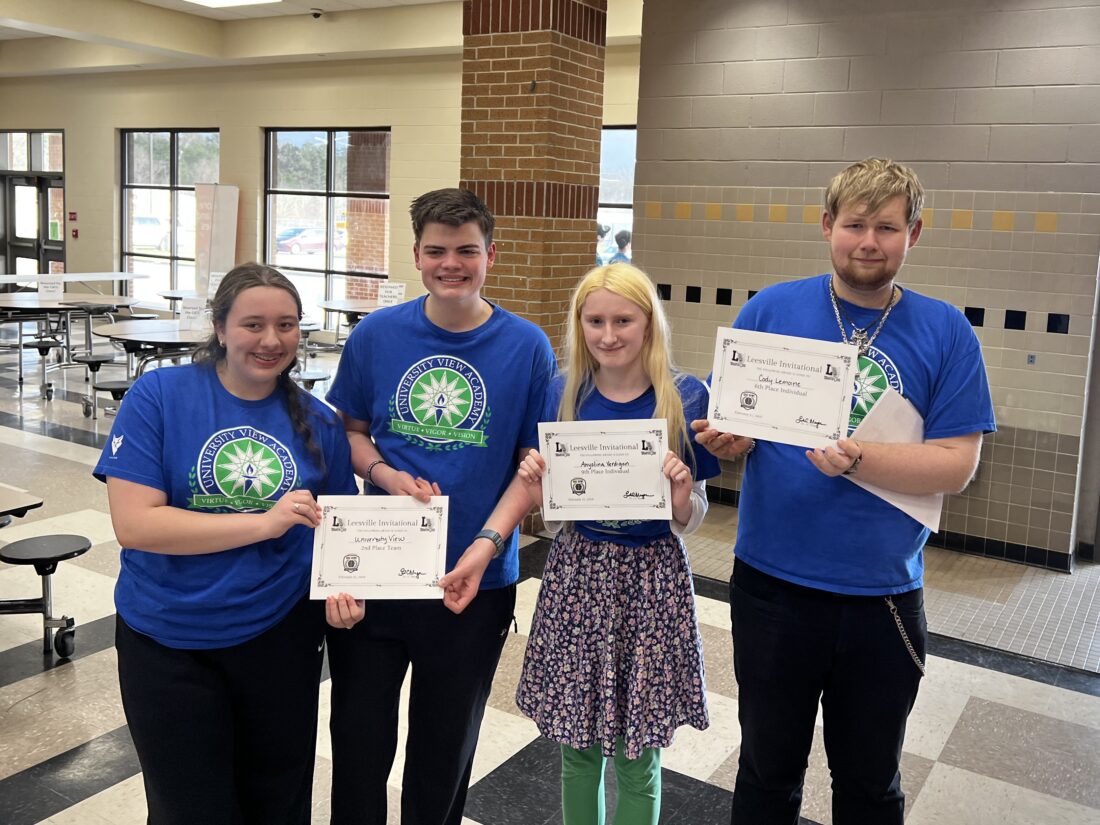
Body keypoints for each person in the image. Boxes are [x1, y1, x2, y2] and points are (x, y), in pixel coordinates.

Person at [692, 158, 996, 825]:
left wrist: (858, 458)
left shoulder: (946, 330)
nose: (868, 240)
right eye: (854, 224)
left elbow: (956, 465)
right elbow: (738, 424)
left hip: (881, 596)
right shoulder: (772, 308)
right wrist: (730, 440)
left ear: (914, 234)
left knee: (868, 781)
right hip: (772, 587)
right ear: (827, 226)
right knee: (767, 771)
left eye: (887, 227)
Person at [93, 263, 359, 824]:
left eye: (286, 325)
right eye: (253, 324)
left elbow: (337, 529)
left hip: (278, 637)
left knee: (278, 801)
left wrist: (346, 591)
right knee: (190, 807)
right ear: (219, 327)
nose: (271, 340)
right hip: (166, 638)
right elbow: (137, 525)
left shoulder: (321, 422)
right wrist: (263, 523)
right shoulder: (158, 396)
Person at [324, 187, 556, 825]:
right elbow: (349, 432)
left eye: (466, 251)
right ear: (417, 254)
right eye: (436, 251)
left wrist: (486, 546)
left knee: (444, 749)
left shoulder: (528, 347)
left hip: (472, 581)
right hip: (378, 570)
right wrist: (386, 474)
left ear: (491, 254)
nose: (450, 264)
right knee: (360, 744)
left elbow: (531, 470)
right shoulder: (376, 335)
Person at [514, 263, 719, 825]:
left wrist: (680, 491)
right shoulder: (562, 393)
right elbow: (554, 517)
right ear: (579, 324)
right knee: (577, 750)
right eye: (595, 320)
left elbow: (694, 515)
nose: (609, 335)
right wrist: (539, 480)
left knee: (639, 753)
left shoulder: (684, 396)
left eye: (624, 320)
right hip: (579, 573)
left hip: (652, 578)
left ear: (649, 323)